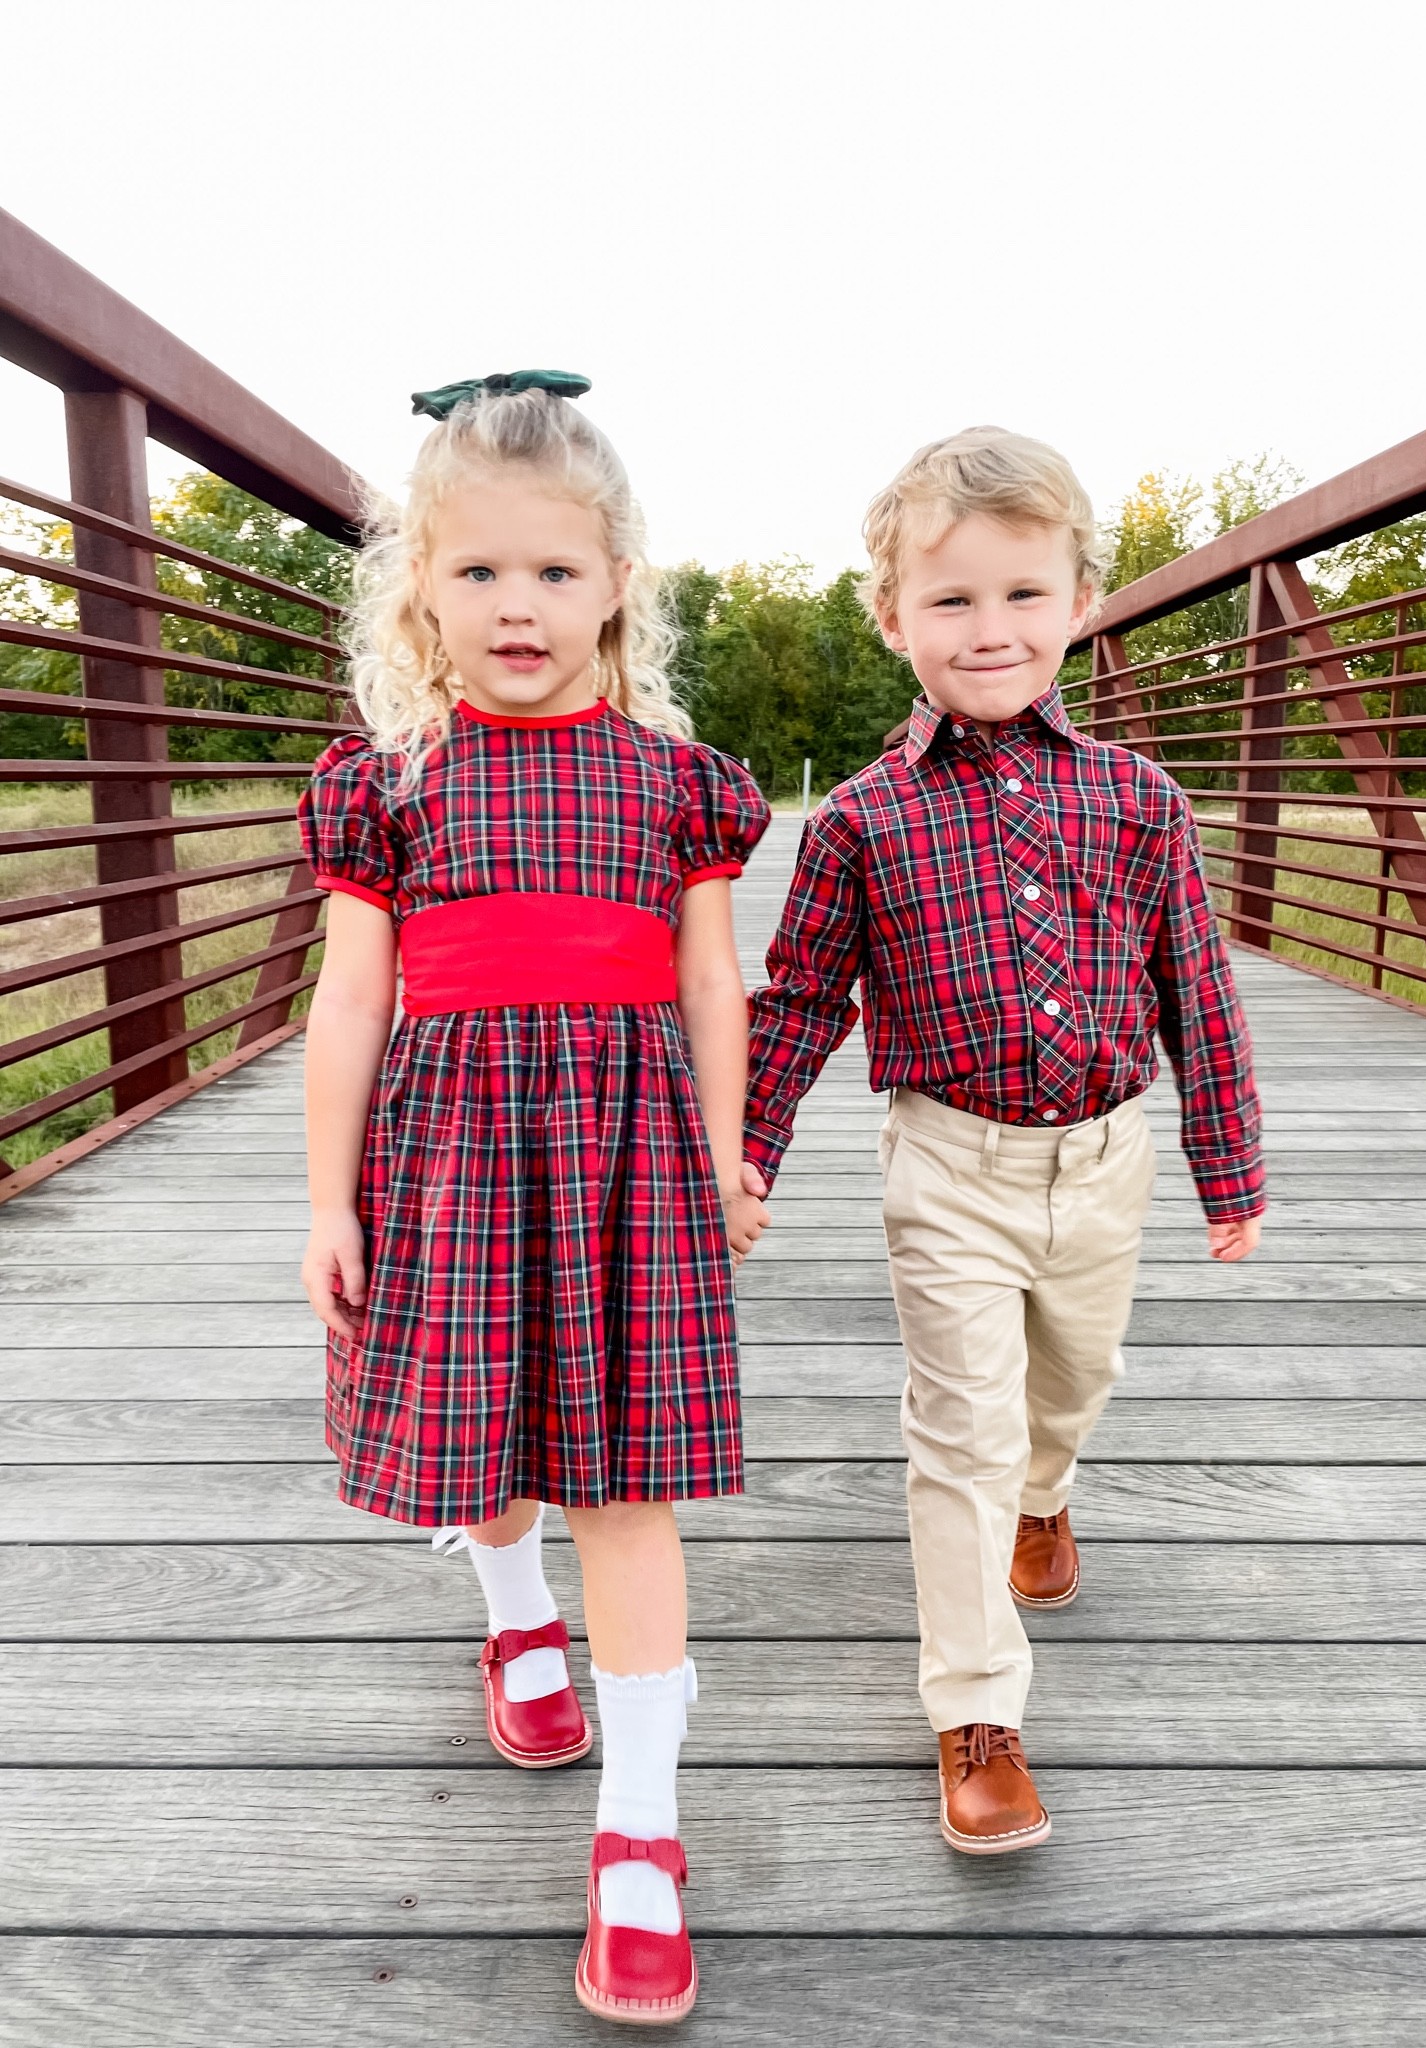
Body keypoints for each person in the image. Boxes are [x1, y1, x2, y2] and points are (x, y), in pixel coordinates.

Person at [297, 370, 769, 2025]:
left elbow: (719, 987)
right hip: (445, 1157)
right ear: (419, 582)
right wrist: (327, 1199)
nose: (519, 605)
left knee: (629, 1483)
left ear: (620, 581)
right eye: (480, 570)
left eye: (556, 572)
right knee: (479, 1442)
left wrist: (723, 1144)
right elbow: (349, 1003)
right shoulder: (389, 780)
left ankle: (640, 1832)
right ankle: (514, 1619)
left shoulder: (677, 778)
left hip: (633, 1153)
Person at [740, 425, 1263, 1854]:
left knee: (1069, 1385)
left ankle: (1054, 1492)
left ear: (1081, 600)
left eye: (1023, 596)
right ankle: (979, 1712)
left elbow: (1194, 988)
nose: (991, 631)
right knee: (958, 1430)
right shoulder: (859, 821)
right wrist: (746, 1149)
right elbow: (796, 1002)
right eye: (953, 600)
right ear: (892, 615)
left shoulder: (1141, 801)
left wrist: (1233, 1166)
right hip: (947, 1164)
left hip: (1107, 1164)